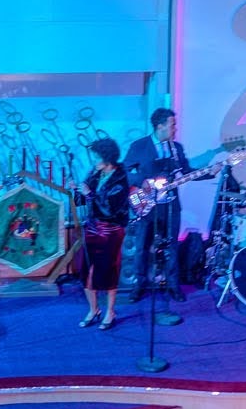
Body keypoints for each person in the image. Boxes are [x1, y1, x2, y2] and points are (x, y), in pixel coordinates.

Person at [124, 106, 191, 320]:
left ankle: (173, 285)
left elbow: (186, 172)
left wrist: (210, 171)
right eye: (172, 125)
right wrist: (141, 182)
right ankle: (139, 285)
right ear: (160, 126)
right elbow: (125, 171)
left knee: (172, 245)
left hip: (170, 204)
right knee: (142, 246)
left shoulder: (176, 148)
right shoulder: (139, 146)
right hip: (146, 204)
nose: (175, 128)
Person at [78, 134, 132, 333]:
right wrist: (78, 191)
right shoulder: (95, 174)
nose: (94, 161)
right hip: (91, 228)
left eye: (96, 157)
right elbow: (83, 201)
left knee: (108, 270)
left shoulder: (120, 178)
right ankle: (93, 310)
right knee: (86, 270)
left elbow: (110, 209)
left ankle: (110, 311)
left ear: (107, 157)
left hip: (110, 231)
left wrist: (89, 194)